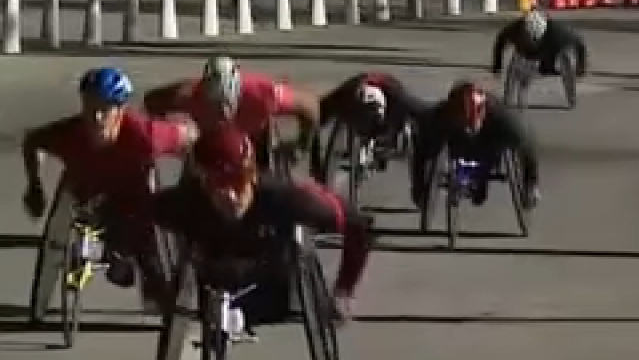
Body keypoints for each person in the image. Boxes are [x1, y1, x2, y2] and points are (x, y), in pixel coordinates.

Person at [153, 125, 373, 327]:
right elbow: (135, 217)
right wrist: (155, 280)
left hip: (270, 277)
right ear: (201, 182)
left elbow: (356, 225)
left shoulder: (287, 198)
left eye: (236, 181)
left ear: (251, 176)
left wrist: (344, 288)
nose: (229, 195)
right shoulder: (182, 203)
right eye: (215, 183)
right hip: (215, 273)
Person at [20, 68, 195, 311]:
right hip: (88, 197)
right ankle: (109, 258)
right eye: (90, 107)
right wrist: (34, 186)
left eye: (105, 109)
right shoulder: (69, 133)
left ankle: (138, 275)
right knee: (95, 222)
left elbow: (189, 135)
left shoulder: (146, 134)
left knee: (151, 254)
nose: (97, 117)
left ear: (120, 110)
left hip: (136, 202)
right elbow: (32, 141)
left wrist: (194, 182)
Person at [142, 54, 320, 170]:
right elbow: (151, 102)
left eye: (227, 104)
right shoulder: (187, 94)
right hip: (208, 143)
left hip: (254, 140)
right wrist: (169, 139)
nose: (223, 113)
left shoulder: (263, 93)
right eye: (216, 105)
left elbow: (310, 106)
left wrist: (301, 146)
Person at [412, 81, 540, 212]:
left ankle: (481, 179)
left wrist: (531, 182)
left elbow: (526, 146)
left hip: (490, 141)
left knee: (516, 140)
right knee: (427, 140)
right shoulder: (440, 115)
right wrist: (419, 186)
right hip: (455, 139)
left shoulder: (505, 120)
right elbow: (422, 149)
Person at [316, 71, 431, 171]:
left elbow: (429, 115)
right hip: (357, 91)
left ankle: (387, 136)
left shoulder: (400, 99)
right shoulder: (340, 97)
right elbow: (315, 119)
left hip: (391, 94)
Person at [490, 10, 589, 81]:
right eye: (530, 36)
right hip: (525, 48)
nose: (533, 39)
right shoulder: (513, 30)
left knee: (555, 48)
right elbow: (500, 44)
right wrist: (497, 67)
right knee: (526, 49)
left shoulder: (558, 32)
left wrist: (580, 69)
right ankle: (537, 63)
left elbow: (580, 45)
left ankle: (547, 67)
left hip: (548, 46)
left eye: (535, 37)